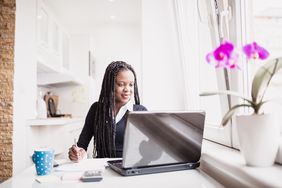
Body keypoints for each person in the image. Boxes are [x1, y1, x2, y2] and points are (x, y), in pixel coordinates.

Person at [68, 61, 147, 162]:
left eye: (131, 85)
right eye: (121, 84)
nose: (127, 89)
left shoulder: (140, 111)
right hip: (102, 168)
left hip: (129, 168)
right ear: (110, 85)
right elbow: (82, 145)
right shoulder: (96, 110)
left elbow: (148, 148)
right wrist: (77, 153)